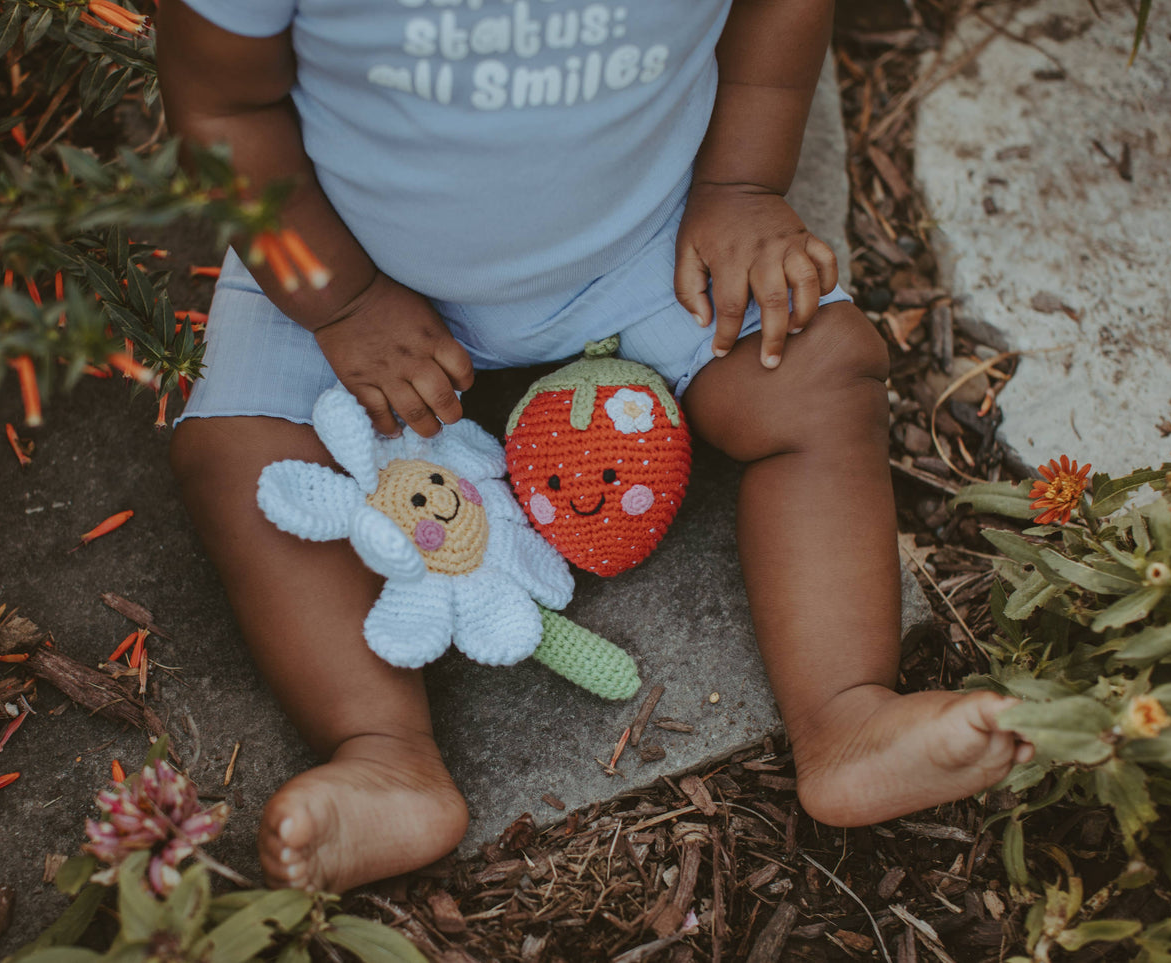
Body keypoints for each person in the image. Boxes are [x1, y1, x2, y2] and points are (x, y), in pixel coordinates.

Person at [157, 0, 1032, 893]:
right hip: (337, 257)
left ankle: (848, 715)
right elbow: (221, 108)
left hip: (644, 239)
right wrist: (338, 301)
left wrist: (739, 187)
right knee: (244, 458)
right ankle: (382, 753)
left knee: (817, 372)